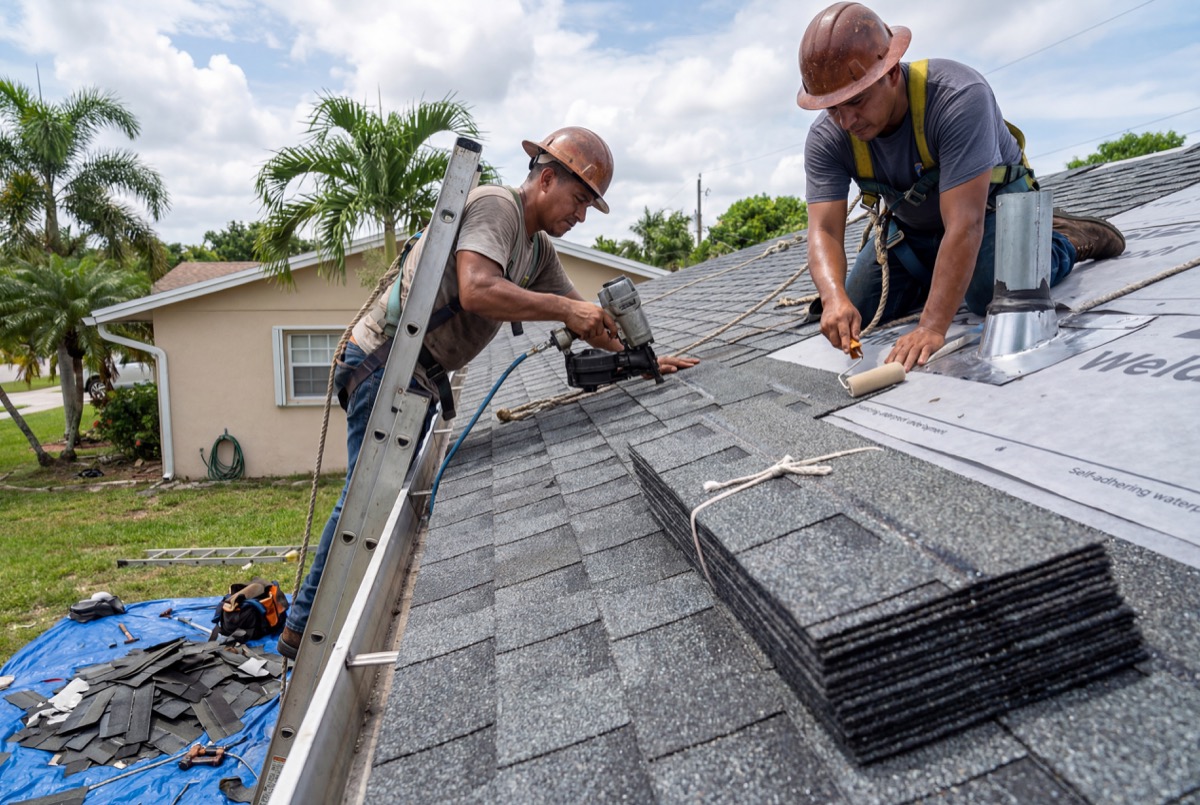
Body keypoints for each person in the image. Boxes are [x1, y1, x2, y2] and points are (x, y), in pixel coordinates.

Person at [278, 126, 698, 658]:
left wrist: (639, 358)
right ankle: (302, 630)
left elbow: (586, 318)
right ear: (546, 179)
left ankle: (318, 620)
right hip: (386, 363)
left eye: (590, 206)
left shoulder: (537, 249)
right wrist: (569, 311)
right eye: (579, 200)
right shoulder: (498, 207)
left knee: (381, 500)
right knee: (369, 499)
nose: (581, 216)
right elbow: (477, 288)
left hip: (418, 375)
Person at [797, 2, 1126, 370]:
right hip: (915, 232)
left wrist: (932, 326)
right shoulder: (829, 137)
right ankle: (941, 274)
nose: (846, 121)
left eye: (856, 101)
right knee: (857, 306)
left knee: (988, 291)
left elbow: (965, 224)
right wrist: (834, 296)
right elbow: (824, 229)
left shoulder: (956, 95)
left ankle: (1059, 242)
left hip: (987, 212)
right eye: (833, 108)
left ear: (890, 74)